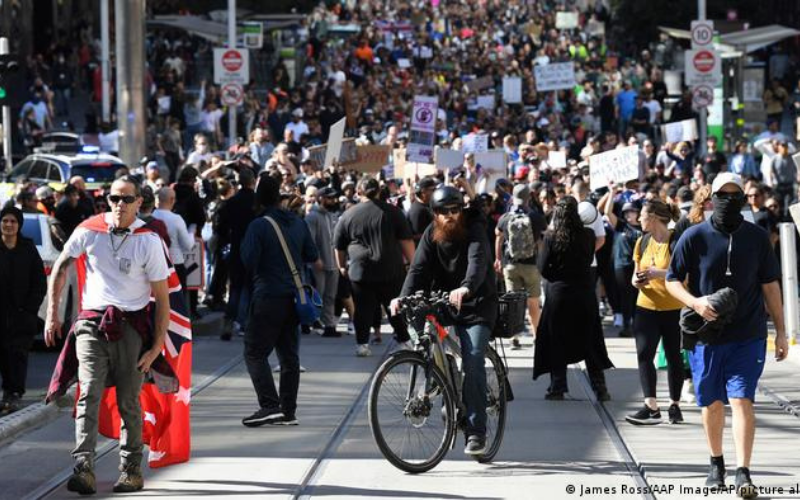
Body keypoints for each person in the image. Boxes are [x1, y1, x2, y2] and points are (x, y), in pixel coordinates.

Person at [44, 177, 172, 494]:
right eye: (114, 198)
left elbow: (162, 298)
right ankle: (83, 467)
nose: (119, 205)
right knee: (88, 394)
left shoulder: (149, 240)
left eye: (127, 199)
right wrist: (52, 313)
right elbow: (61, 266)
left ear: (139, 202)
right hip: (91, 323)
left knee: (129, 401)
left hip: (131, 326)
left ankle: (130, 469)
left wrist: (156, 346)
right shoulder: (89, 230)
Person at [665, 172, 789, 497]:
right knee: (712, 403)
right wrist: (696, 301)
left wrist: (782, 331)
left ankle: (743, 471)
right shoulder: (694, 237)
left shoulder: (758, 238)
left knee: (742, 399)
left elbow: (770, 286)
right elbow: (671, 278)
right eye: (724, 195)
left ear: (744, 200)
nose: (730, 201)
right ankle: (715, 462)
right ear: (711, 198)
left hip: (748, 334)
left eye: (737, 195)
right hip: (706, 335)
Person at [391, 185, 497, 456]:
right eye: (442, 211)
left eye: (454, 210)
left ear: (462, 210)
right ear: (434, 213)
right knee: (420, 331)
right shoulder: (431, 233)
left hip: (476, 304)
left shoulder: (474, 229)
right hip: (444, 302)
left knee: (472, 359)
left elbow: (478, 261)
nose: (449, 216)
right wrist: (401, 298)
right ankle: (441, 374)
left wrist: (466, 287)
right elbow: (417, 269)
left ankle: (476, 432)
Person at [239, 173, 320, 427]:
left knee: (254, 351)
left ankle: (269, 405)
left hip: (268, 295)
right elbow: (312, 254)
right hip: (294, 298)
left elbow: (248, 261)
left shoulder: (258, 225)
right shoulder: (298, 222)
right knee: (289, 356)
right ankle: (288, 410)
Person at [534, 197, 613, 400]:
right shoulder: (588, 235)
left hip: (559, 294)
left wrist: (557, 280)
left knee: (557, 339)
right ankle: (600, 387)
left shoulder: (551, 238)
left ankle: (558, 386)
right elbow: (587, 261)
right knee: (590, 340)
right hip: (584, 293)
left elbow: (543, 267)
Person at [334, 178, 415, 357]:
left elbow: (338, 246)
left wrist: (341, 267)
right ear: (379, 191)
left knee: (362, 308)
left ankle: (362, 344)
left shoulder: (348, 214)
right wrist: (413, 264)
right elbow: (406, 241)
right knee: (394, 306)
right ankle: (404, 340)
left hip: (361, 270)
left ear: (358, 192)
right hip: (390, 268)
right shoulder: (393, 212)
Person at [626, 200, 685, 426]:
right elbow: (635, 275)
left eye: (641, 215)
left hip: (672, 307)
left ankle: (674, 404)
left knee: (673, 356)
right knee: (644, 355)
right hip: (646, 307)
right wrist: (638, 280)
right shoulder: (642, 242)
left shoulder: (676, 241)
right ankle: (651, 405)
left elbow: (683, 274)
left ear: (653, 217)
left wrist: (656, 274)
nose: (638, 219)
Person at [0, 206, 47, 414]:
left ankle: (14, 393)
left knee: (17, 354)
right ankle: (6, 391)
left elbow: (39, 282)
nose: (8, 225)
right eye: (5, 221)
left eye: (13, 221)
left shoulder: (28, 248)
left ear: (18, 225)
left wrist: (30, 309)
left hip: (22, 315)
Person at [494, 184, 547, 349]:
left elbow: (498, 237)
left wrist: (498, 259)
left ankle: (513, 337)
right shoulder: (535, 217)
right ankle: (537, 336)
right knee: (533, 302)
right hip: (531, 265)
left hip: (510, 264)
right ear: (528, 197)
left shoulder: (505, 217)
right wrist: (542, 261)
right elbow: (541, 242)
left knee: (513, 302)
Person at [217, 168, 257, 340]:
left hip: (236, 248)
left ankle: (229, 322)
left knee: (235, 288)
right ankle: (248, 323)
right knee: (253, 288)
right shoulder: (257, 202)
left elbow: (221, 228)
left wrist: (229, 240)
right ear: (253, 181)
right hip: (255, 249)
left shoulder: (231, 203)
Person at [305, 186, 340, 337]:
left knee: (330, 295)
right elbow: (309, 241)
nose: (333, 200)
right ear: (321, 199)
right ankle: (307, 321)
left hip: (333, 263)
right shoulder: (312, 217)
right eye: (329, 198)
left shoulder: (332, 215)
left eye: (334, 198)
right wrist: (315, 258)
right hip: (319, 264)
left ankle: (330, 325)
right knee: (316, 294)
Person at [153, 187, 196, 305]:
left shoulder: (150, 217)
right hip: (175, 264)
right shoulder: (176, 219)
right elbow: (187, 245)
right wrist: (192, 232)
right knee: (177, 302)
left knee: (157, 301)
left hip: (154, 265)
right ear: (172, 200)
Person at [407, 177, 437, 243]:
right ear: (423, 192)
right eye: (433, 189)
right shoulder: (417, 211)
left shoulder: (428, 204)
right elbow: (415, 236)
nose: (435, 191)